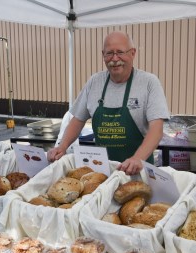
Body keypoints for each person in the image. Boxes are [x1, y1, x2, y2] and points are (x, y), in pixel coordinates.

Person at [47, 31, 170, 175]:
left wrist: (137, 158)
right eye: (109, 53)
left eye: (120, 52)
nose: (115, 58)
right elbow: (77, 120)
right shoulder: (95, 82)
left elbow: (157, 129)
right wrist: (62, 146)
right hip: (102, 170)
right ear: (103, 55)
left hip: (138, 171)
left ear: (133, 53)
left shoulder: (149, 83)